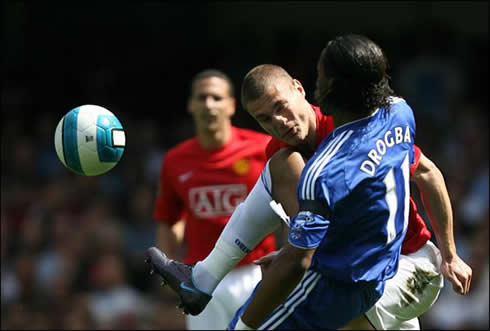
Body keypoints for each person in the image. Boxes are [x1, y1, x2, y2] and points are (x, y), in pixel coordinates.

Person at [147, 53, 471, 329]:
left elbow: (429, 174)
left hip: (408, 263)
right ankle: (203, 279)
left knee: (328, 309)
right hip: (358, 271)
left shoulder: (353, 128)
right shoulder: (279, 150)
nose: (279, 121)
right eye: (265, 118)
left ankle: (204, 278)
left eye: (281, 106)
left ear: (299, 89)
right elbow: (306, 221)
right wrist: (293, 251)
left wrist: (451, 255)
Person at [150, 69, 277, 329]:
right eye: (202, 97)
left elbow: (286, 206)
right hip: (202, 278)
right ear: (191, 104)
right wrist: (169, 273)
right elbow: (169, 220)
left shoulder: (263, 148)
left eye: (216, 98)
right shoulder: (175, 160)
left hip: (255, 273)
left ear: (231, 105)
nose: (209, 104)